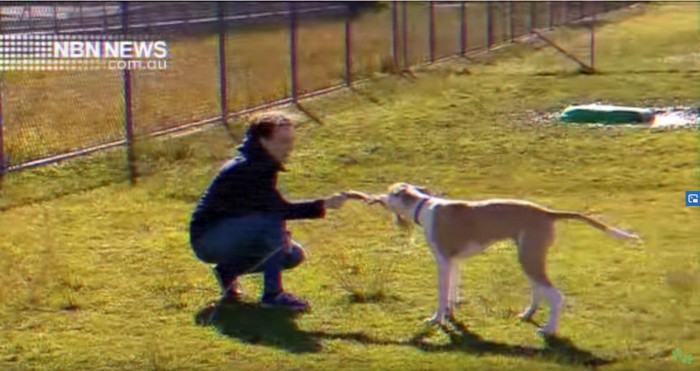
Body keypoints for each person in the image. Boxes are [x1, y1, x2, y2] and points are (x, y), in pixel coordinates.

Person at [189, 113, 347, 311]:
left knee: (293, 255)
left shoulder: (261, 163)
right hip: (208, 239)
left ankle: (227, 272)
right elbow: (277, 211)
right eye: (283, 141)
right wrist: (323, 204)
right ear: (263, 141)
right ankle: (273, 295)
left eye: (291, 141)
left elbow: (269, 208)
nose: (289, 147)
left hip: (229, 235)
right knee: (272, 223)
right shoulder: (249, 168)